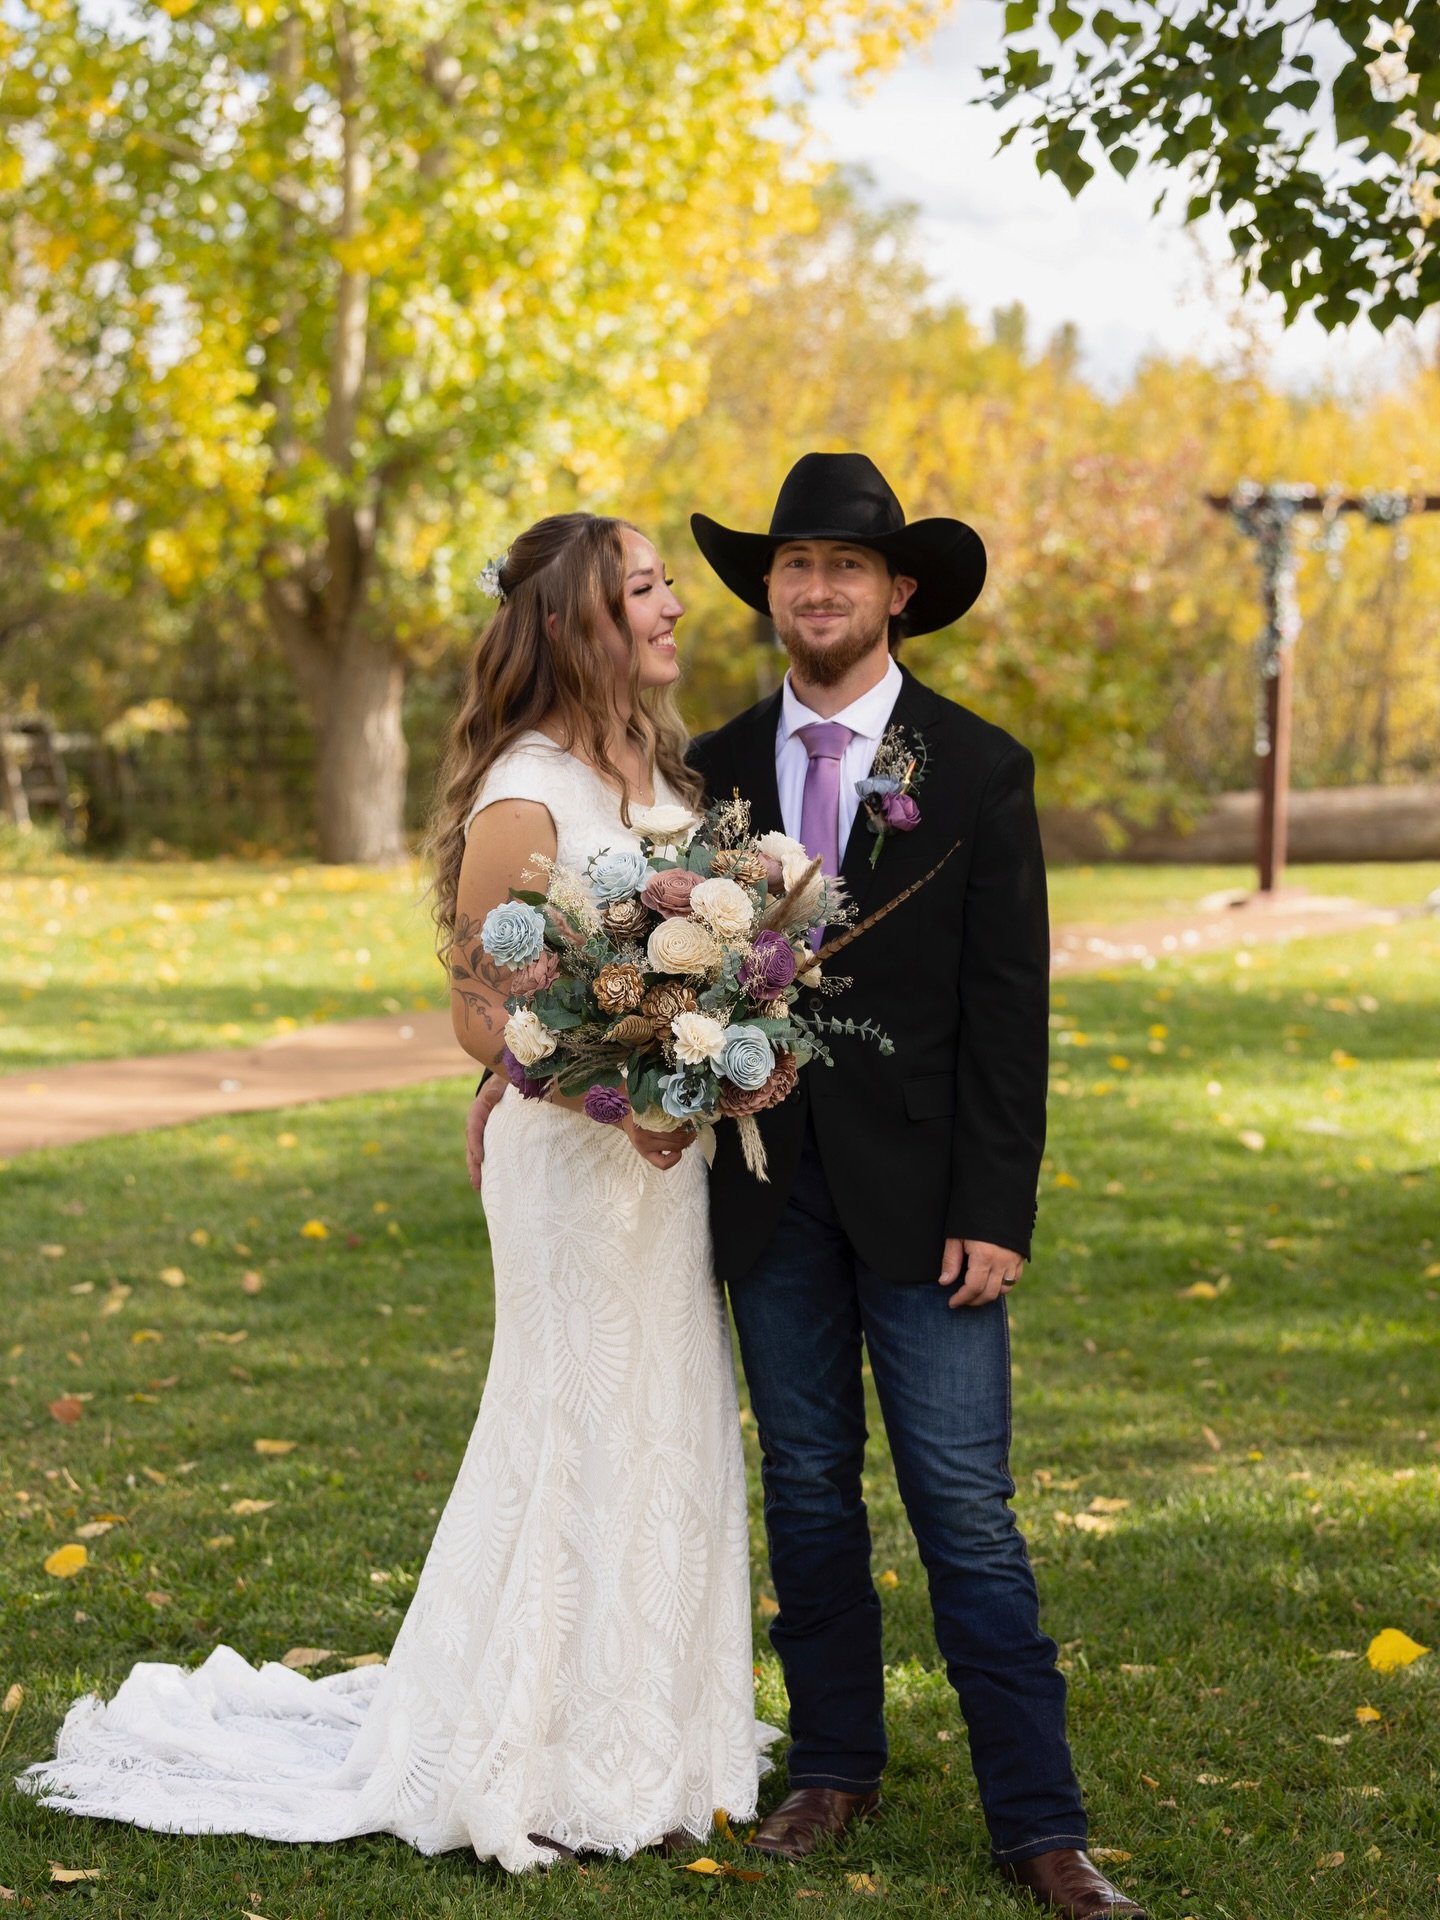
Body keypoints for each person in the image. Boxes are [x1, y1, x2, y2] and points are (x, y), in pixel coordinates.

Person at [20, 512, 774, 1872]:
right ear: (579, 622)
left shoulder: (653, 763)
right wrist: (624, 1085)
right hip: (577, 1166)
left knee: (659, 1419)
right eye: (647, 589)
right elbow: (484, 1011)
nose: (673, 609)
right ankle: (528, 1743)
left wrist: (697, 1076)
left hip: (663, 1171)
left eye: (665, 586)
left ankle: (649, 1739)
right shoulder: (530, 792)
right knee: (570, 1423)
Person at [470, 455, 1144, 1918]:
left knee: (965, 1506)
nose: (819, 589)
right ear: (766, 591)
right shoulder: (700, 769)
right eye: (793, 567)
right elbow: (597, 951)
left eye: (848, 567)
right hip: (761, 1194)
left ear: (900, 592)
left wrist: (997, 1208)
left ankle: (1041, 1823)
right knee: (809, 1491)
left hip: (931, 1211)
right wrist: (518, 1069)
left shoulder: (977, 769)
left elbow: (1007, 1012)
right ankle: (834, 1765)